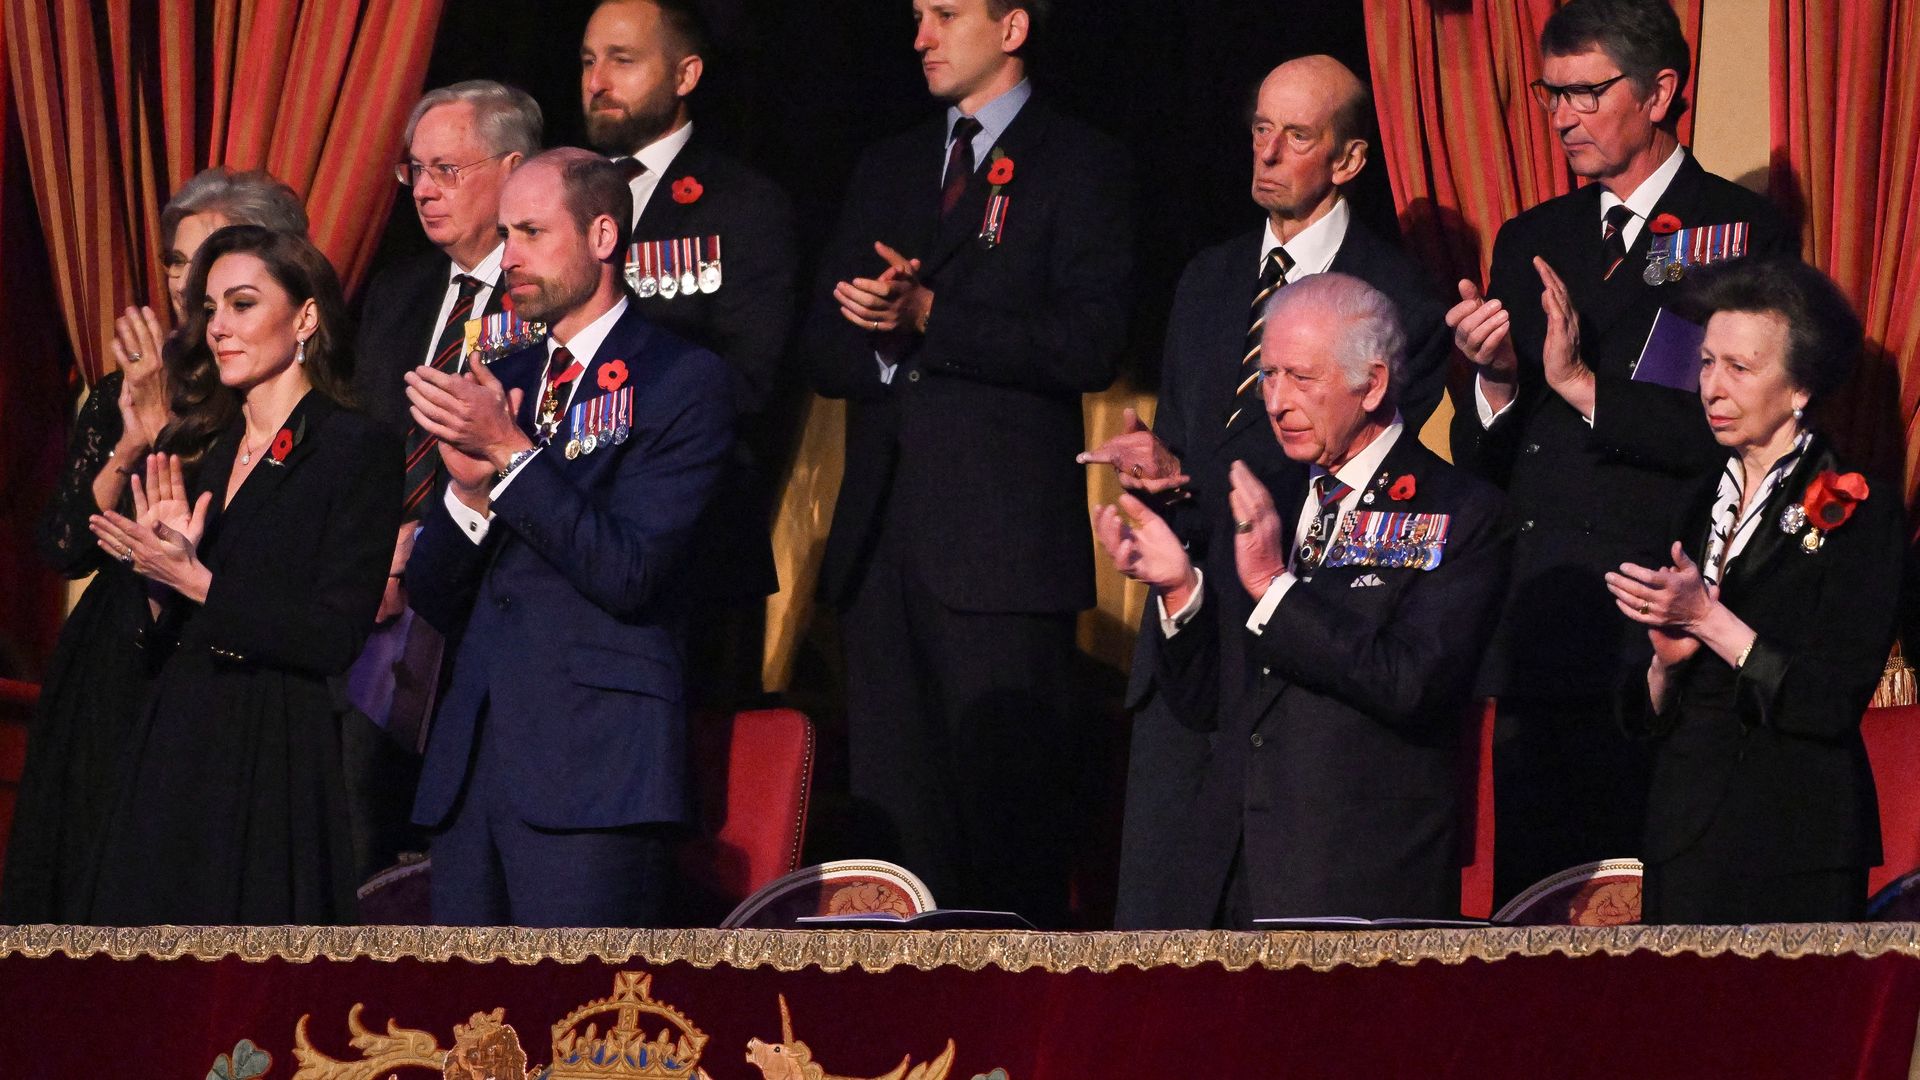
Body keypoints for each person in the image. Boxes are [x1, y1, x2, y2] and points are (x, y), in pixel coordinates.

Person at [1075, 55, 1453, 928]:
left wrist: (1191, 478)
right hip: (1183, 641)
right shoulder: (1208, 279)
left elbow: (1353, 477)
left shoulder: (1396, 298)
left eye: (1298, 135)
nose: (1269, 152)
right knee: (1158, 942)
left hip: (1294, 665)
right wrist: (1155, 471)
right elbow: (1183, 443)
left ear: (1349, 160)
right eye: (1260, 129)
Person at [1442, 0, 1795, 903]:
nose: (1561, 117)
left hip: (1663, 618)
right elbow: (1488, 461)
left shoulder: (1735, 233)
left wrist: (1580, 385)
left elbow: (1733, 430)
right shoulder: (1533, 238)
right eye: (1550, 94)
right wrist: (1493, 378)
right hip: (1547, 618)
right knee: (1540, 917)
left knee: (1654, 923)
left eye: (1586, 93)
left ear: (1661, 91)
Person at [803, 0, 1133, 926]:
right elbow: (820, 345)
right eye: (914, 16)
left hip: (1001, 556)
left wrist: (933, 318)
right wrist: (875, 332)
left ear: (1014, 26)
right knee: (894, 846)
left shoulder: (1082, 163)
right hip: (881, 551)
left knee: (1007, 837)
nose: (920, 36)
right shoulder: (888, 164)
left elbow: (1087, 343)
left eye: (945, 14)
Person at [1093, 273, 1510, 925]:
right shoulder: (1265, 495)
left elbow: (1411, 683)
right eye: (1267, 376)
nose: (1277, 402)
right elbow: (1208, 705)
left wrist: (1275, 590)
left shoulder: (1461, 511)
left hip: (1355, 883)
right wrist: (1181, 592)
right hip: (1227, 879)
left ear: (1371, 384)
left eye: (1301, 379)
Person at [404, 148, 732, 927]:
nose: (508, 257)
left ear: (603, 235)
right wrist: (466, 492)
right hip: (474, 764)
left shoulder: (680, 379)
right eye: (504, 234)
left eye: (530, 233)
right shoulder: (503, 373)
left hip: (594, 768)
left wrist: (514, 458)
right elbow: (432, 595)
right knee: (465, 1035)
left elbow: (631, 571)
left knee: (581, 1031)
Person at [0, 169, 306, 923]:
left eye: (205, 260)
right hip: (110, 659)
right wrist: (133, 440)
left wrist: (170, 431)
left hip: (208, 659)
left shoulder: (278, 390)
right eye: (174, 260)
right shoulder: (129, 387)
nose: (182, 280)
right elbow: (65, 542)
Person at [82, 224, 402, 925]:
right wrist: (159, 580)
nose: (217, 327)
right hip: (175, 737)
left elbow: (333, 636)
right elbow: (158, 632)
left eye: (243, 304)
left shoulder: (356, 448)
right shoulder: (210, 450)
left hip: (271, 748)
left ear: (306, 316)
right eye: (211, 309)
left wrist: (197, 582)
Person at [1609, 258, 1897, 924]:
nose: (1713, 387)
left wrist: (1710, 621)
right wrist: (1663, 665)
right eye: (1707, 363)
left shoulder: (1860, 507)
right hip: (1684, 828)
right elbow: (1637, 714)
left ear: (1800, 387)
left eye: (1739, 368)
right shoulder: (1689, 502)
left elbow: (1829, 702)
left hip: (1796, 836)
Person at [346, 79, 541, 884]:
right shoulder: (400, 290)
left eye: (446, 170)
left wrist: (421, 545)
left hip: (484, 600)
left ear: (513, 168)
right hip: (373, 607)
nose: (423, 190)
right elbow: (362, 445)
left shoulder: (547, 294)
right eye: (413, 171)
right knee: (354, 829)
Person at [581, 0, 800, 706]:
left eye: (622, 59)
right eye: (588, 61)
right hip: (563, 535)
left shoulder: (742, 205)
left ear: (686, 74)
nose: (597, 80)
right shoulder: (560, 196)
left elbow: (751, 379)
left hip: (689, 544)